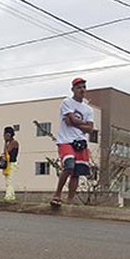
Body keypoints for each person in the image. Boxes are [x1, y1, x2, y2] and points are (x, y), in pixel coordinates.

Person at [50, 77, 94, 206]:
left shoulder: (88, 109)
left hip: (80, 142)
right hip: (66, 140)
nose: (82, 90)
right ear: (73, 89)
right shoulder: (67, 102)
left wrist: (76, 123)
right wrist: (82, 124)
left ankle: (70, 200)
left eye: (84, 87)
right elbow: (72, 120)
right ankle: (57, 194)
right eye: (79, 87)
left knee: (77, 172)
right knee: (69, 166)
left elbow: (90, 128)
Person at [2, 126, 19, 201]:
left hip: (12, 163)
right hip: (8, 164)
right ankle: (11, 196)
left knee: (10, 181)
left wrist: (6, 142)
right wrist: (5, 143)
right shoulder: (9, 143)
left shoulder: (14, 143)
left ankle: (9, 197)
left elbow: (7, 152)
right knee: (8, 181)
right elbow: (4, 152)